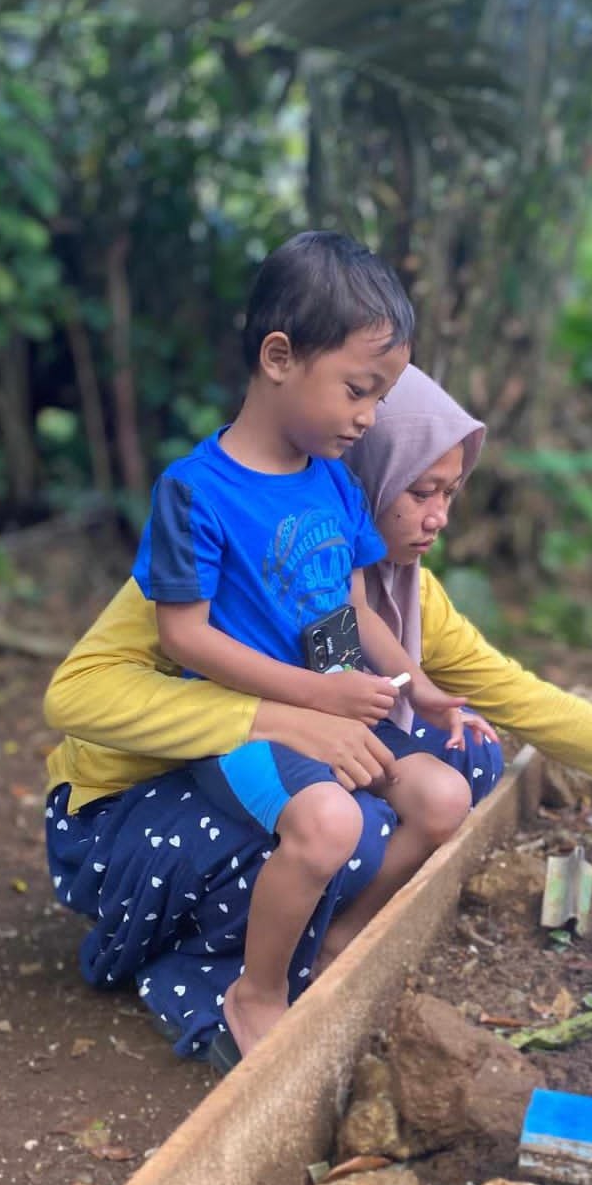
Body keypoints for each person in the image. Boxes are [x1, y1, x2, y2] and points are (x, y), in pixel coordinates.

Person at [44, 362, 592, 1071]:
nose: (438, 518)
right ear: (366, 475)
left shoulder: (399, 590)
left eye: (450, 493)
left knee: (466, 754)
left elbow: (521, 697)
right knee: (347, 826)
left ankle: (326, 945)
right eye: (420, 491)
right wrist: (274, 717)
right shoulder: (223, 554)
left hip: (283, 762)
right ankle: (211, 976)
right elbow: (74, 697)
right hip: (131, 806)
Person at [128, 231, 493, 1058]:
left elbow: (356, 606)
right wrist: (317, 696)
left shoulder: (332, 478)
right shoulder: (195, 491)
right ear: (279, 357)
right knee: (329, 824)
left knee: (443, 798)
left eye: (381, 397)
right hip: (245, 725)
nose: (369, 417)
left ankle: (339, 943)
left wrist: (417, 684)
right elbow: (183, 635)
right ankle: (254, 993)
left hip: (336, 711)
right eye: (359, 390)